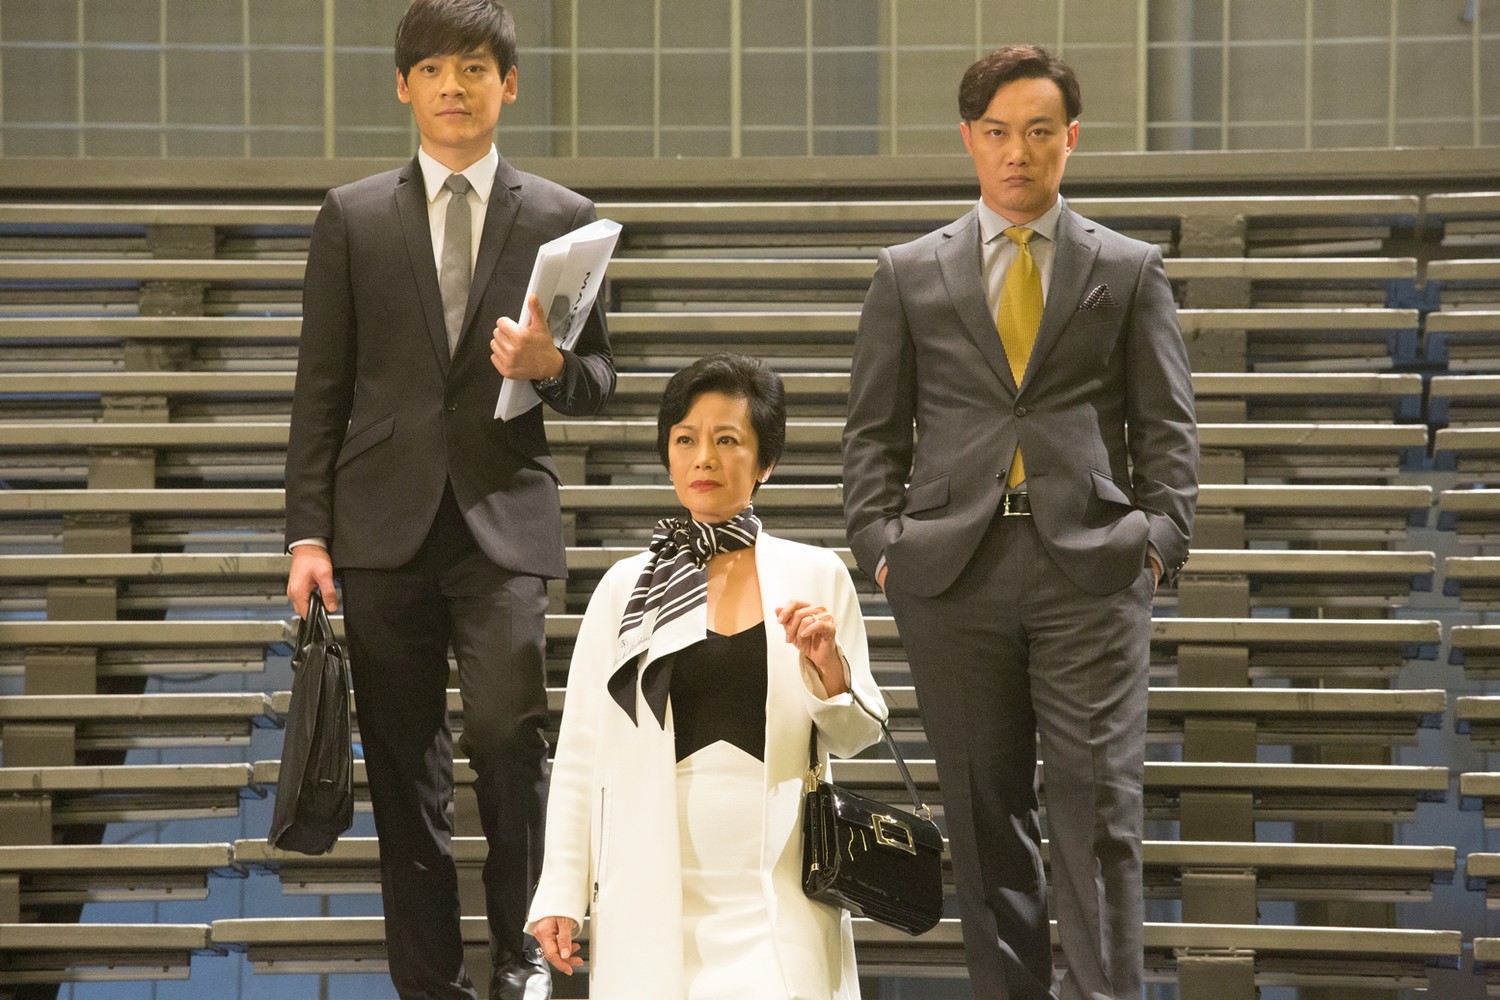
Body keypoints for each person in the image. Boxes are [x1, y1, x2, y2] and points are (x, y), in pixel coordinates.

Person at [841, 45, 1198, 1000]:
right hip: (952, 576)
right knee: (981, 814)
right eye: (998, 132)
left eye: (1040, 131)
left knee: (1099, 815)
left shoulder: (1127, 268)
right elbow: (872, 433)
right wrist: (882, 550)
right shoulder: (907, 273)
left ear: (1071, 138)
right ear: (968, 138)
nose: (1018, 152)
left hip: (1094, 571)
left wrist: (1158, 543)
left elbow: (1167, 427)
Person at [282, 1, 615, 996]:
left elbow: (601, 379)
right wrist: (307, 535)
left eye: (473, 68)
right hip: (378, 527)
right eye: (431, 70)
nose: (453, 88)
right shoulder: (352, 217)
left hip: (503, 518)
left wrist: (553, 365)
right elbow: (320, 387)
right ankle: (429, 983)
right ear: (403, 87)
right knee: (403, 766)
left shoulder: (562, 216)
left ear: (508, 84)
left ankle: (523, 957)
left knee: (510, 734)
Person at [527, 353, 886, 999]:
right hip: (649, 887)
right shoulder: (625, 588)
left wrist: (829, 670)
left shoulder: (816, 575)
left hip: (779, 894)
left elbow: (857, 735)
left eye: (727, 441)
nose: (704, 459)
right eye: (686, 439)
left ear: (765, 461)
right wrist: (560, 890)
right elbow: (581, 751)